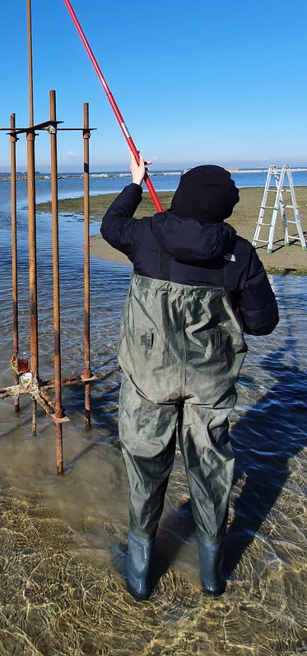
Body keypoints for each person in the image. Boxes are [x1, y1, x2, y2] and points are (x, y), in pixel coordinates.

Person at [101, 154, 279, 600]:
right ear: (225, 207)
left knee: (145, 467)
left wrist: (135, 184)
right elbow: (262, 324)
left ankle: (140, 575)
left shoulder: (145, 235)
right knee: (211, 471)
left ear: (179, 199)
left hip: (149, 380)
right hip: (210, 384)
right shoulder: (240, 253)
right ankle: (212, 575)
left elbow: (111, 225)